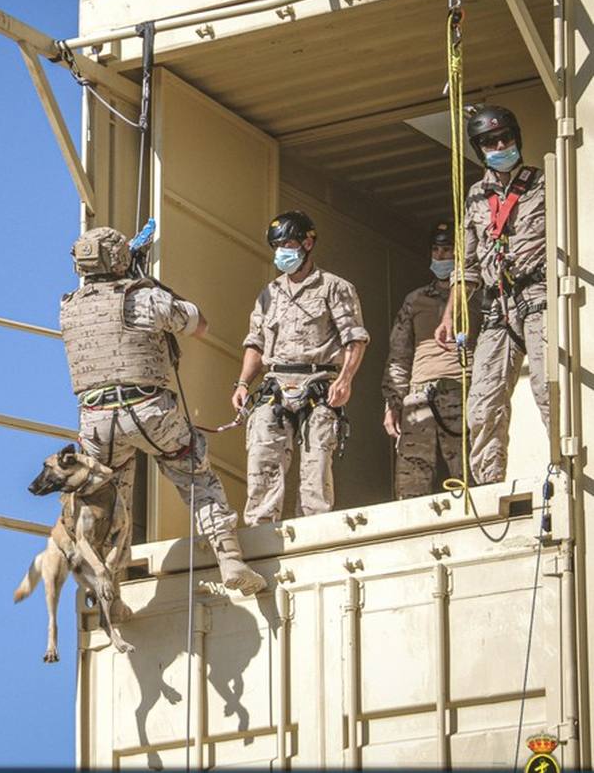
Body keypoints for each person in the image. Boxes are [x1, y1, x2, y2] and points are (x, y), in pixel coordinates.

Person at [60, 227, 265, 595]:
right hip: (148, 409)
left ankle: (110, 591)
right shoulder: (142, 299)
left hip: (94, 421)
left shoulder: (68, 307)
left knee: (109, 504)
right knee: (197, 478)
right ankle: (231, 560)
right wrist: (148, 283)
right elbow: (197, 323)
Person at [230, 211, 369, 524]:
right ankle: (260, 529)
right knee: (262, 456)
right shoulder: (268, 294)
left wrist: (345, 380)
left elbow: (355, 339)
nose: (282, 251)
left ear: (307, 243)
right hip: (275, 385)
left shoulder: (334, 287)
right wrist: (241, 384)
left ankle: (313, 528)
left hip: (317, 383)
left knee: (316, 462)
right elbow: (255, 343)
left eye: (288, 243)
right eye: (277, 245)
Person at [434, 105, 548, 484]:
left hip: (540, 296)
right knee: (483, 403)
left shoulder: (544, 184)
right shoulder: (475, 198)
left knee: (550, 390)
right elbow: (465, 266)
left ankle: (567, 473)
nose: (500, 145)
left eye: (505, 138)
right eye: (490, 142)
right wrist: (451, 315)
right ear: (479, 149)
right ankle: (488, 484)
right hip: (499, 307)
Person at [382, 221, 463, 499]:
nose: (441, 256)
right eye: (436, 250)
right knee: (411, 480)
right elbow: (399, 355)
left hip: (462, 388)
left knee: (469, 473)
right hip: (419, 395)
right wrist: (393, 402)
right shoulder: (415, 300)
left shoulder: (478, 297)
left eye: (448, 249)